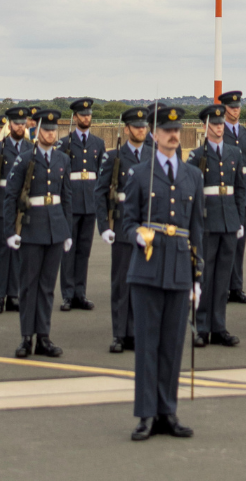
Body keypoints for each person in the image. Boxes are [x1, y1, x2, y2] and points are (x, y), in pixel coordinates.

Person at [122, 104, 204, 442]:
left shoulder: (192, 176)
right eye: (167, 130)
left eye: (177, 130)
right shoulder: (140, 174)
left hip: (179, 268)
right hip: (147, 267)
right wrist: (136, 234)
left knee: (172, 344)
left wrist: (197, 277)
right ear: (155, 135)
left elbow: (197, 230)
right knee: (147, 344)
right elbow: (127, 221)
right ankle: (146, 414)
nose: (173, 135)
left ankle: (168, 411)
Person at [4, 107, 73, 358]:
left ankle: (43, 336)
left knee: (47, 287)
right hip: (31, 229)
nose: (51, 134)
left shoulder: (62, 160)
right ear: (37, 130)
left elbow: (66, 199)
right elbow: (11, 196)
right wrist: (11, 230)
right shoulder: (24, 158)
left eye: (54, 130)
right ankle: (26, 338)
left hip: (55, 229)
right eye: (46, 129)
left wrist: (67, 232)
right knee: (28, 286)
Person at [188, 102, 246, 347]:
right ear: (206, 126)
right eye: (214, 123)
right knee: (204, 276)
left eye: (221, 123)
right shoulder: (197, 155)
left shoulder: (234, 153)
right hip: (207, 223)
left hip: (229, 222)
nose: (219, 127)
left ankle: (219, 326)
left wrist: (240, 220)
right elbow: (190, 191)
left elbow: (240, 189)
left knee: (222, 279)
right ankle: (201, 328)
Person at [95, 105, 151, 352]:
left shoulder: (154, 154)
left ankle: (138, 332)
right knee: (121, 283)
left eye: (144, 126)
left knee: (144, 283)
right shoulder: (113, 156)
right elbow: (100, 193)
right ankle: (120, 334)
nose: (141, 130)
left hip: (148, 226)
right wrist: (104, 226)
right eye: (136, 126)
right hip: (121, 226)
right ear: (127, 129)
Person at [59, 97, 104, 312]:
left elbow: (102, 176)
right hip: (71, 203)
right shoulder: (65, 143)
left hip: (90, 204)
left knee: (84, 252)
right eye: (82, 114)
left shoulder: (98, 143)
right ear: (75, 117)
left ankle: (80, 293)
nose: (86, 117)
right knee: (69, 250)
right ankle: (67, 295)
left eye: (89, 114)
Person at [0, 106, 31, 314]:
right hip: (2, 206)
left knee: (18, 253)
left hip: (22, 208)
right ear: (9, 125)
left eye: (23, 124)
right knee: (2, 252)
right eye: (16, 124)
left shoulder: (31, 149)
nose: (20, 127)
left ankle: (14, 294)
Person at [219, 89, 246, 305]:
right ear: (224, 109)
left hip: (243, 195)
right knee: (225, 245)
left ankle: (237, 287)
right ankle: (222, 287)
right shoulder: (217, 130)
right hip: (224, 194)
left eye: (238, 107)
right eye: (232, 107)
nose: (236, 110)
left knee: (239, 245)